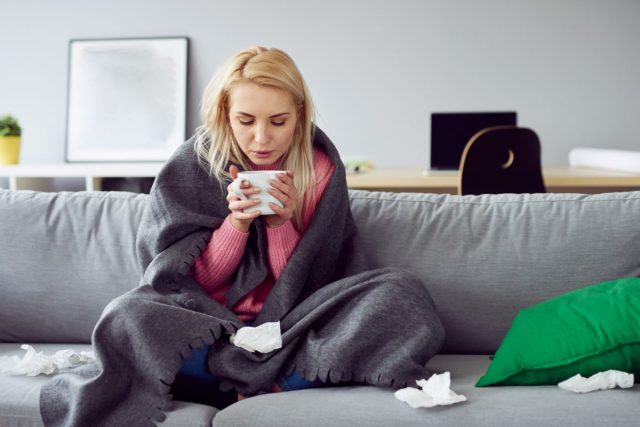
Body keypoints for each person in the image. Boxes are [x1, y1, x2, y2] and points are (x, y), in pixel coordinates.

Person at [40, 46, 444, 426]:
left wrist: (278, 225)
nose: (262, 139)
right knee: (127, 316)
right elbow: (180, 280)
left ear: (300, 115)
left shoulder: (320, 167)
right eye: (246, 121)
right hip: (207, 324)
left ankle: (258, 384)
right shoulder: (193, 164)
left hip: (295, 326)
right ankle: (275, 379)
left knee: (402, 294)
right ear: (224, 114)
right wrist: (235, 225)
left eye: (278, 122)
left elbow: (315, 283)